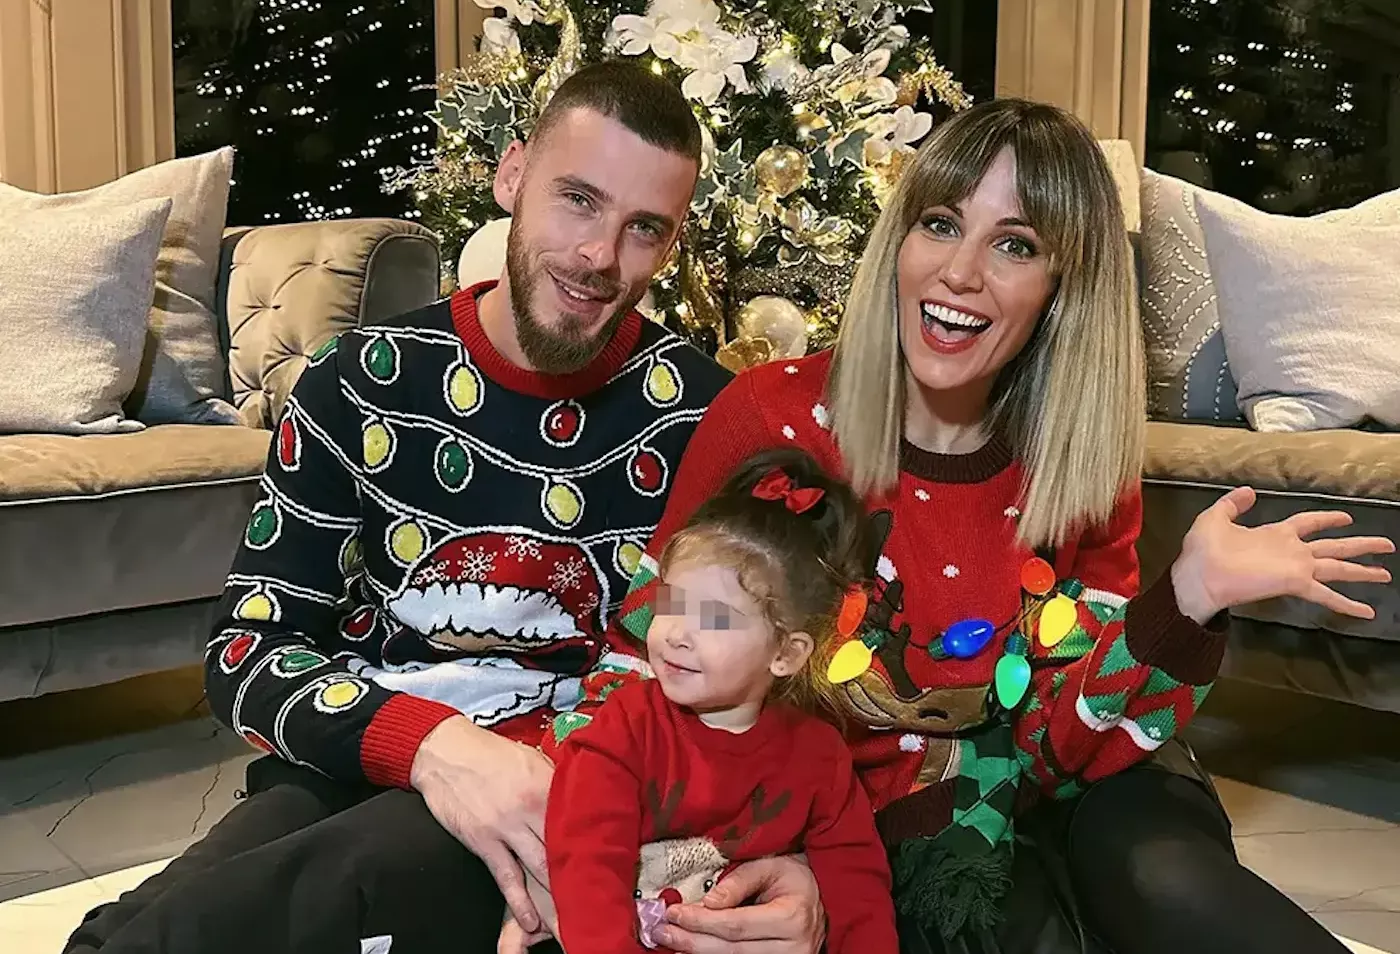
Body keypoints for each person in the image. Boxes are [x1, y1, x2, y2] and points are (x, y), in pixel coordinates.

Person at [566, 98, 1396, 954]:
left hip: (1078, 763)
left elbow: (1061, 747)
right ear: (899, 240)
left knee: (1169, 882)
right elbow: (645, 665)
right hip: (885, 822)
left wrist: (1189, 597)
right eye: (940, 223)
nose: (960, 273)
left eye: (1015, 244)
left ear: (1060, 286)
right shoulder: (769, 419)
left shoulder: (1075, 460)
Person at [63, 61, 823, 954]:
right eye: (576, 199)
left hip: (577, 792)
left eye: (642, 229)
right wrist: (439, 749)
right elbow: (245, 654)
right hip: (364, 747)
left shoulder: (701, 420)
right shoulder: (362, 380)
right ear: (511, 176)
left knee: (231, 924)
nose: (598, 257)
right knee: (155, 919)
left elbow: (736, 672)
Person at [529, 449, 898, 954]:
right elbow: (587, 867)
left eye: (716, 618)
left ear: (786, 654)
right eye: (672, 602)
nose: (678, 633)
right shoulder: (625, 728)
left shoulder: (820, 757)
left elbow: (859, 890)